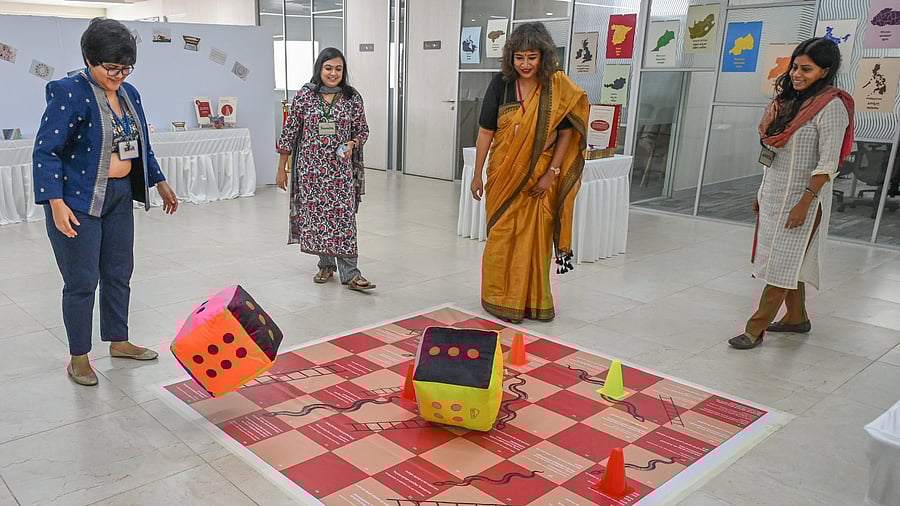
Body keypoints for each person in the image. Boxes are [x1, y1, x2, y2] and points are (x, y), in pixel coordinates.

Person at [33, 18, 179, 385]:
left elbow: (141, 144)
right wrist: (55, 203)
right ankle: (79, 357)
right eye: (111, 68)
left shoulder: (130, 94)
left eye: (126, 68)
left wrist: (159, 181)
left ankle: (119, 340)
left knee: (119, 272)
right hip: (77, 200)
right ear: (89, 59)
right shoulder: (68, 92)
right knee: (82, 281)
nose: (119, 75)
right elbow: (46, 152)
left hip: (118, 196)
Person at [730, 38, 854, 349]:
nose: (797, 74)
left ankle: (754, 329)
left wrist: (804, 203)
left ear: (825, 71)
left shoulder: (831, 106)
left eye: (806, 69)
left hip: (803, 201)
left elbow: (828, 163)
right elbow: (775, 157)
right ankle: (796, 318)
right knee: (787, 260)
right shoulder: (786, 104)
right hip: (774, 194)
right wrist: (762, 192)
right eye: (795, 67)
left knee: (781, 263)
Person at [470, 22, 588, 324]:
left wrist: (551, 173)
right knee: (501, 236)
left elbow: (566, 134)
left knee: (534, 241)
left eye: (532, 58)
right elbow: (486, 132)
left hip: (540, 177)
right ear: (510, 57)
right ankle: (498, 299)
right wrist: (477, 173)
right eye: (519, 57)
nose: (525, 64)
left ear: (543, 57)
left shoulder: (556, 87)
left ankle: (531, 302)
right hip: (503, 174)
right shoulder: (500, 84)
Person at [275, 47, 373, 291]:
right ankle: (326, 265)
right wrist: (281, 169)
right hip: (311, 171)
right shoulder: (305, 96)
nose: (333, 73)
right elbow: (289, 132)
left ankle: (351, 274)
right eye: (328, 68)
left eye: (338, 69)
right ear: (319, 69)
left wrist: (353, 143)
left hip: (340, 172)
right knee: (319, 218)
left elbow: (363, 130)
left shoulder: (351, 97)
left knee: (343, 219)